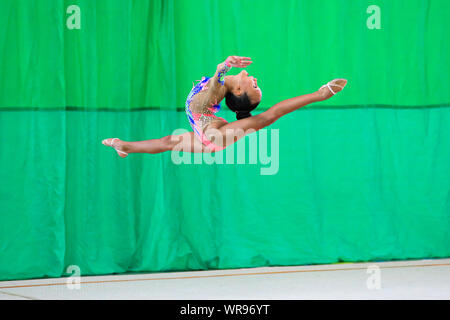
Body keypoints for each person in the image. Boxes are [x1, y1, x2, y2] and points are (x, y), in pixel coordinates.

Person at [102, 55, 347, 156]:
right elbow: (214, 87)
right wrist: (223, 69)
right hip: (207, 136)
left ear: (239, 91)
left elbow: (211, 90)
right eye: (257, 85)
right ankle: (126, 146)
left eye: (255, 86)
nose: (256, 80)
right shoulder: (220, 89)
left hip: (215, 137)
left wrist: (224, 67)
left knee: (268, 117)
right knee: (168, 141)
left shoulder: (216, 89)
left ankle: (318, 95)